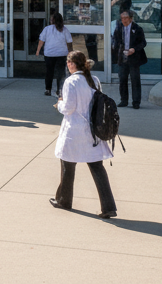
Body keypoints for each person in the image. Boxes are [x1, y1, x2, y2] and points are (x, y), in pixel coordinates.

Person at [50, 50, 117, 218]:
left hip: (74, 131)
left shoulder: (71, 82)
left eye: (68, 62)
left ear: (72, 64)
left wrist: (59, 105)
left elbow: (69, 108)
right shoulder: (93, 80)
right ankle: (109, 207)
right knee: (97, 168)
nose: (67, 64)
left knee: (67, 165)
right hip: (93, 131)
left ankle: (64, 200)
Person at [110, 10, 147, 109]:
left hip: (134, 58)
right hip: (123, 57)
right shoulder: (119, 28)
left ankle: (136, 102)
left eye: (126, 18)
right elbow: (116, 40)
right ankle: (124, 100)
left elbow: (143, 43)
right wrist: (117, 49)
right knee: (122, 79)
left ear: (131, 19)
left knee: (135, 80)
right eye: (122, 18)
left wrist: (134, 49)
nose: (124, 20)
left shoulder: (137, 29)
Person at [36, 13, 73, 97]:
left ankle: (48, 89)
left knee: (49, 72)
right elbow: (69, 42)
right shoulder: (64, 30)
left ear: (52, 20)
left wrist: (38, 50)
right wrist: (71, 52)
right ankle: (59, 90)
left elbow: (41, 41)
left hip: (49, 54)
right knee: (60, 72)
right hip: (62, 53)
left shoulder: (47, 29)